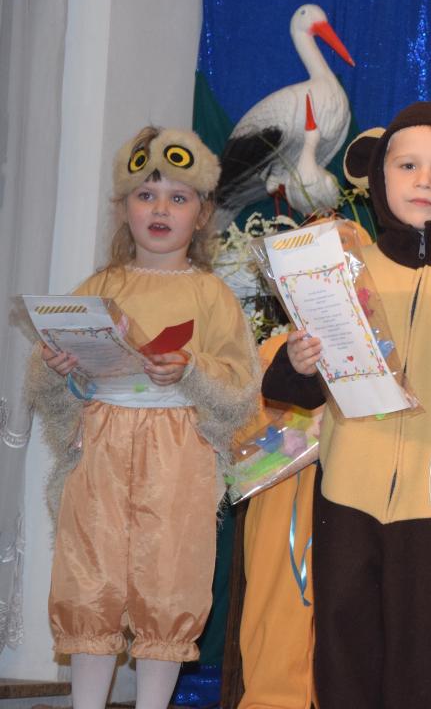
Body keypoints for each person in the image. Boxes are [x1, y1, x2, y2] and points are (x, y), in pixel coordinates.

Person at [260, 99, 431, 708]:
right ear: (378, 173)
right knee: (346, 647)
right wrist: (299, 362)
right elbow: (291, 387)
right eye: (407, 165)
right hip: (349, 491)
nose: (424, 181)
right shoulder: (342, 270)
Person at [25, 127, 260, 709]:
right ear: (123, 207)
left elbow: (240, 385)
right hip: (101, 450)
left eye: (178, 198)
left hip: (178, 457)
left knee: (169, 583)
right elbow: (56, 384)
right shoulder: (100, 287)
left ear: (201, 214)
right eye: (146, 195)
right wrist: (60, 368)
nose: (160, 209)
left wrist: (189, 369)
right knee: (91, 579)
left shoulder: (212, 294)